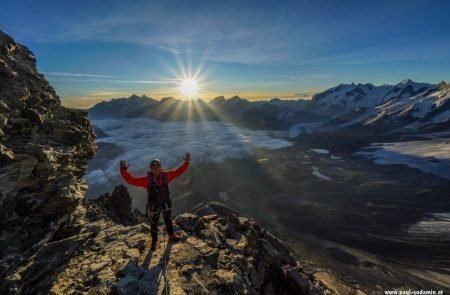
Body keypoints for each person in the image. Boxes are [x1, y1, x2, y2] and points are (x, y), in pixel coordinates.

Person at [119, 153, 190, 251]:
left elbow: (178, 172)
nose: (156, 169)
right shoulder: (147, 180)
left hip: (165, 202)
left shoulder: (166, 176)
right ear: (150, 169)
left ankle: (171, 235)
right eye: (153, 168)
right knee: (154, 223)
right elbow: (132, 180)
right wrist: (123, 171)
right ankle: (154, 241)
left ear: (160, 168)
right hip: (154, 205)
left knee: (168, 220)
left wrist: (186, 163)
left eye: (157, 167)